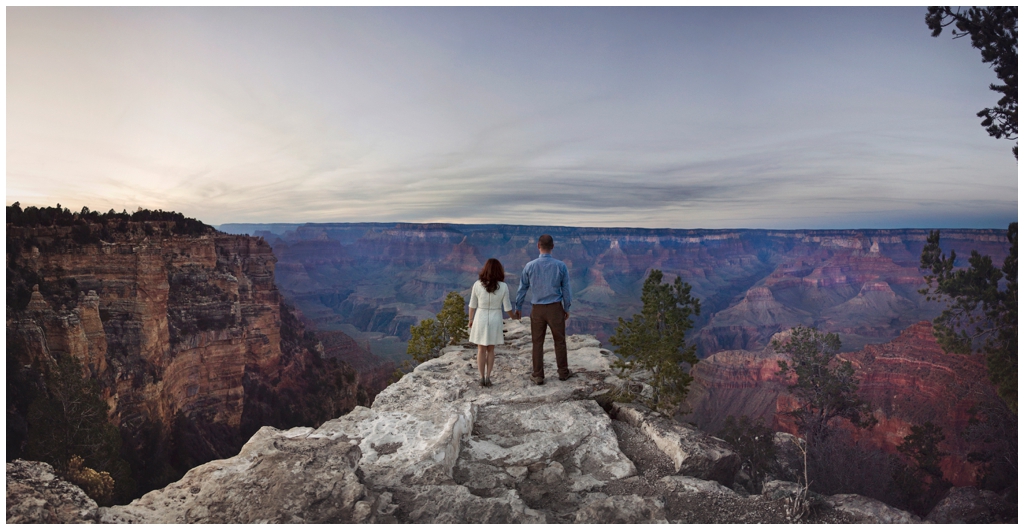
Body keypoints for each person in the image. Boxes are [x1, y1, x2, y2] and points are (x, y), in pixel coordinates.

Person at [512, 234, 572, 385]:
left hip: (537, 309)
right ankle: (563, 373)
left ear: (538, 246)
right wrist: (567, 307)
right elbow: (566, 289)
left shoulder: (529, 266)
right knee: (560, 341)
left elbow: (522, 288)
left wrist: (518, 307)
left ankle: (538, 375)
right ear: (552, 247)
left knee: (537, 342)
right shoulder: (561, 266)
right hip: (555, 308)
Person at [468, 258, 512, 387]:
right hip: (495, 317)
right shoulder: (503, 286)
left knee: (481, 349)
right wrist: (514, 317)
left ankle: (481, 378)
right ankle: (488, 377)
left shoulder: (477, 284)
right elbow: (507, 307)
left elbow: (472, 305)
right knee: (491, 349)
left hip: (480, 316)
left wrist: (470, 320)